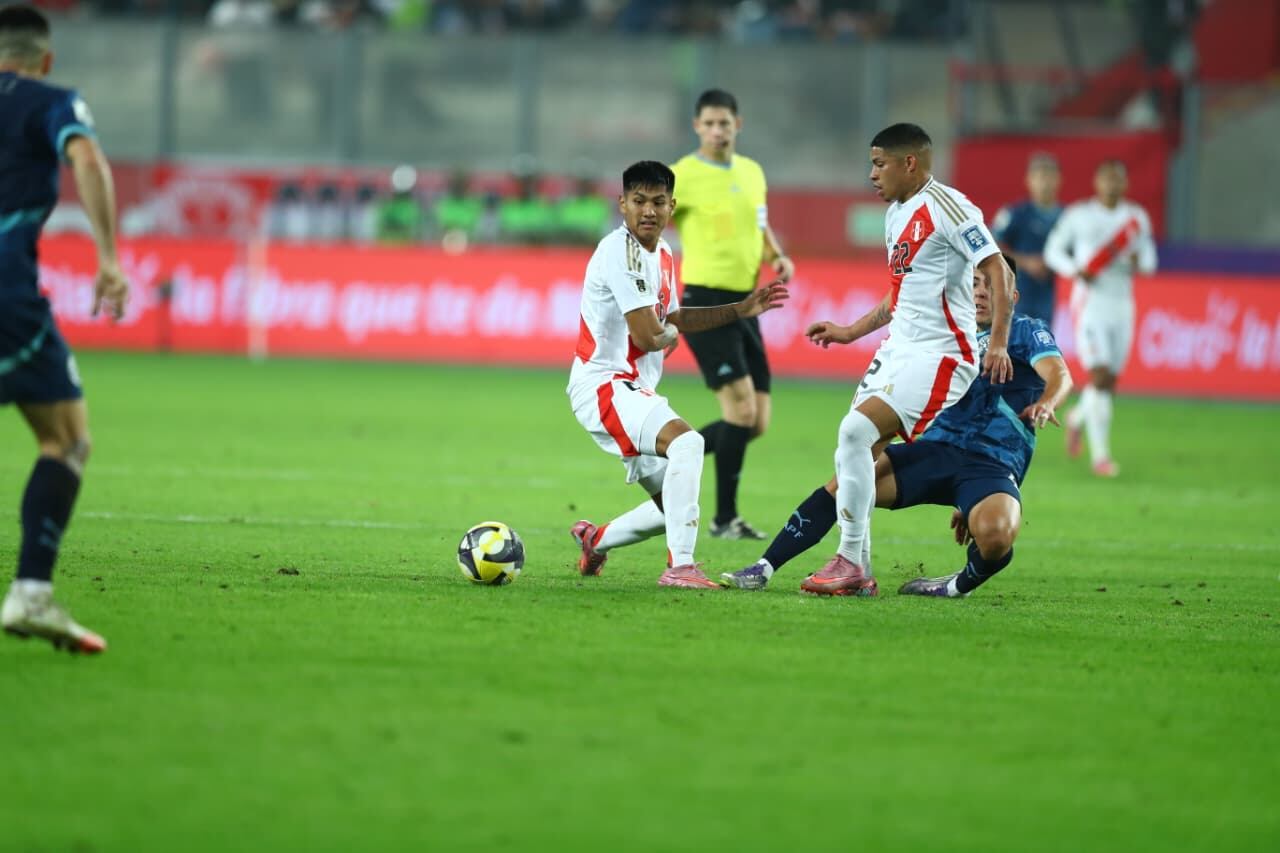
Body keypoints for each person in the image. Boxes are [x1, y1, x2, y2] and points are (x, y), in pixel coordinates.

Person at [721, 258, 1071, 596]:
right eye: (975, 284)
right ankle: (764, 567)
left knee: (995, 536)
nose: (980, 293)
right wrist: (848, 333)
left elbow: (1058, 374)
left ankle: (952, 587)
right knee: (847, 483)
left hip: (990, 464)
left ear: (1012, 297)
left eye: (992, 286)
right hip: (935, 450)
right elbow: (901, 298)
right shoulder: (946, 331)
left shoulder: (1026, 330)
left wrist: (1047, 402)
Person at [792, 122, 1014, 596]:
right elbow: (902, 296)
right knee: (855, 449)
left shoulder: (949, 207)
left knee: (855, 432)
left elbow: (996, 269)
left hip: (942, 355)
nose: (872, 174)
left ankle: (850, 562)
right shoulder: (896, 215)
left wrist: (996, 341)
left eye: (879, 163)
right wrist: (851, 331)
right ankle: (858, 569)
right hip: (899, 349)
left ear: (909, 162)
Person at [566, 161, 788, 590]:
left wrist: (738, 310)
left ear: (672, 206)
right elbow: (651, 335)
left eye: (658, 202)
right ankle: (681, 567)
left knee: (673, 505)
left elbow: (673, 318)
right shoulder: (620, 251)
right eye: (639, 201)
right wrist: (665, 332)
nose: (648, 211)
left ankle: (597, 540)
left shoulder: (663, 253)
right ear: (622, 204)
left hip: (633, 388)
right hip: (604, 385)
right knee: (689, 441)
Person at [0, 4, 129, 653]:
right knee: (67, 438)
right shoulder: (53, 101)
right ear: (44, 59)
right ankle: (31, 593)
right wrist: (109, 257)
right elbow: (86, 158)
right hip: (5, 293)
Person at [669, 88, 795, 541]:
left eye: (725, 123)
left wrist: (777, 256)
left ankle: (671, 456)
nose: (718, 130)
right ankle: (724, 520)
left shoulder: (752, 172)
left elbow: (759, 225)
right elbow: (649, 219)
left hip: (748, 303)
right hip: (705, 302)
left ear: (737, 124)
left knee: (755, 422)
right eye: (709, 123)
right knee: (739, 410)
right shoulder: (682, 175)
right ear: (696, 127)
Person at [1044, 160, 1157, 477]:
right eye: (1106, 179)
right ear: (1097, 182)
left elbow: (1149, 261)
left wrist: (1138, 261)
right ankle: (1101, 458)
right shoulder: (1079, 216)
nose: (1112, 185)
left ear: (1125, 184)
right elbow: (1054, 250)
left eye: (1117, 180)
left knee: (1108, 384)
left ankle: (1077, 418)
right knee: (1100, 375)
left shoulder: (1136, 218)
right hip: (1090, 304)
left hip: (1122, 305)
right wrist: (1074, 270)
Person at [992, 152, 1062, 326]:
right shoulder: (1015, 214)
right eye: (1039, 177)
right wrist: (1025, 262)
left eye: (1049, 176)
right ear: (1028, 180)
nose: (1044, 183)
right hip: (1019, 294)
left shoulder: (1067, 217)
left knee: (1046, 344)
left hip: (1054, 295)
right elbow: (990, 245)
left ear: (1059, 180)